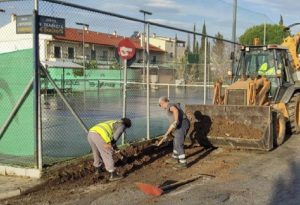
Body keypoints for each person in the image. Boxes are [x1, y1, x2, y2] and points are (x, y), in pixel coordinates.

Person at [158, 96, 190, 169]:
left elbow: (175, 111)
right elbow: (172, 124)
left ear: (162, 102)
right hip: (181, 124)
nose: (160, 107)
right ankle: (175, 158)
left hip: (182, 124)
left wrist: (176, 121)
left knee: (178, 143)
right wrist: (167, 134)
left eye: (160, 105)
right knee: (175, 141)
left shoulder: (170, 105)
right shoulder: (170, 106)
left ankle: (183, 163)